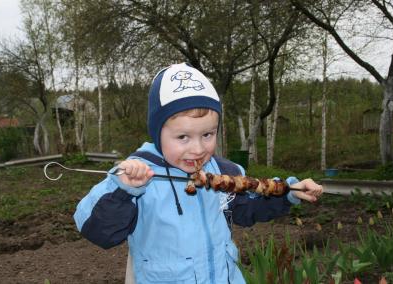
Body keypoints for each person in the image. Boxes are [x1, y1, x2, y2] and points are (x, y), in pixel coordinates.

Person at [74, 62, 323, 284]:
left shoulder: (225, 172)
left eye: (208, 134)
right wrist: (122, 189)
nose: (198, 149)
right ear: (157, 132)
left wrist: (290, 191)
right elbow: (98, 231)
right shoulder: (136, 175)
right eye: (183, 137)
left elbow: (248, 209)